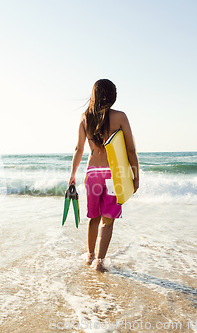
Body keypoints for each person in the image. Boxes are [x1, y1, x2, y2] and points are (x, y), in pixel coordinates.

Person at [68, 79, 139, 272]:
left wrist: (72, 175)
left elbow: (78, 148)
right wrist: (135, 176)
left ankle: (90, 256)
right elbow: (130, 150)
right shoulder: (120, 117)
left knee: (94, 217)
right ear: (113, 96)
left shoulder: (85, 118)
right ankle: (99, 262)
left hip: (92, 174)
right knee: (108, 220)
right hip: (113, 174)